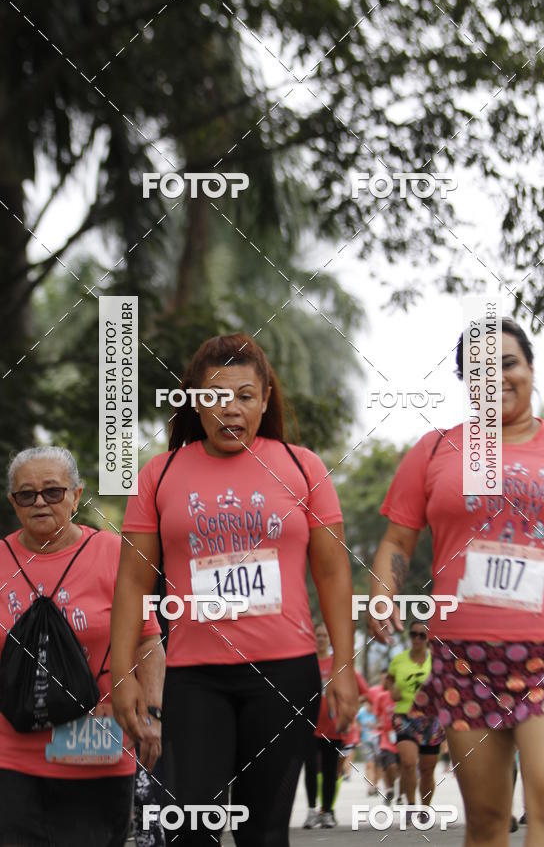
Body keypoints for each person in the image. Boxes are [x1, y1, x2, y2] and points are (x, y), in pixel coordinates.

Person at [110, 333, 358, 846]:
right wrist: (122, 674)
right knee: (188, 831)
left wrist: (344, 666)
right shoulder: (161, 474)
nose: (231, 409)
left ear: (265, 400)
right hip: (194, 678)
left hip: (285, 675)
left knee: (264, 834)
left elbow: (333, 574)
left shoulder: (302, 467)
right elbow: (132, 582)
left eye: (245, 396)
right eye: (216, 395)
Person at [369, 318, 544, 847]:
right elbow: (396, 543)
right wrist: (383, 596)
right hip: (464, 660)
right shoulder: (433, 452)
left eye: (508, 363)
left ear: (531, 370)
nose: (495, 377)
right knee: (488, 820)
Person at [0, 447, 164, 847]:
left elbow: (147, 640)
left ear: (76, 495)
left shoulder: (113, 554)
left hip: (97, 750)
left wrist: (153, 713)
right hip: (11, 756)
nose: (40, 502)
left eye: (53, 492)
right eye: (27, 494)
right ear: (12, 502)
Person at [304, 622, 368, 829]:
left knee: (331, 771)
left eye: (324, 635)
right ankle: (312, 811)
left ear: (329, 639)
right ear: (313, 638)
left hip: (334, 727)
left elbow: (363, 691)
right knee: (312, 769)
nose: (321, 638)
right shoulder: (307, 663)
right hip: (310, 727)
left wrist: (349, 715)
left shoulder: (338, 664)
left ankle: (328, 812)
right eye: (318, 635)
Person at [388, 620, 444, 816]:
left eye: (422, 635)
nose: (418, 639)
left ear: (428, 638)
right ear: (409, 636)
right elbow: (389, 680)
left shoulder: (437, 660)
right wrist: (392, 689)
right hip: (404, 715)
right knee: (409, 762)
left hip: (431, 718)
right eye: (414, 634)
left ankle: (425, 809)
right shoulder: (399, 660)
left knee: (428, 769)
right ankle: (411, 806)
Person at [356, 699, 379, 794]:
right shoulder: (361, 712)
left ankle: (375, 783)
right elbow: (356, 723)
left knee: (377, 764)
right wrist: (359, 730)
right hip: (365, 740)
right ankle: (370, 786)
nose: (369, 706)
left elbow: (383, 723)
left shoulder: (378, 711)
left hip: (377, 740)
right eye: (367, 704)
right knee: (369, 763)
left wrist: (375, 725)